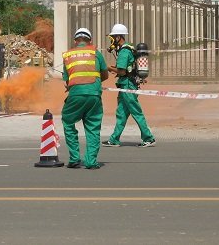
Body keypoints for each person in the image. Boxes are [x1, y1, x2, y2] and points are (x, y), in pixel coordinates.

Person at [61, 27, 109, 169]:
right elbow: (105, 75)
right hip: (94, 95)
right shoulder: (96, 53)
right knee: (93, 127)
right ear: (90, 40)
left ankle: (75, 158)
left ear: (75, 41)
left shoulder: (68, 55)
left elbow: (67, 80)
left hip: (75, 96)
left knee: (68, 121)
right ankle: (91, 162)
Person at [102, 23, 156, 147]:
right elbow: (124, 68)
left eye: (113, 38)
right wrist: (114, 68)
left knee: (136, 112)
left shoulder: (124, 51)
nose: (111, 41)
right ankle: (114, 139)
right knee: (121, 113)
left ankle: (149, 138)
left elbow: (122, 71)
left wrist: (108, 68)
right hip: (125, 85)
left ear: (118, 37)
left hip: (127, 85)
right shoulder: (126, 49)